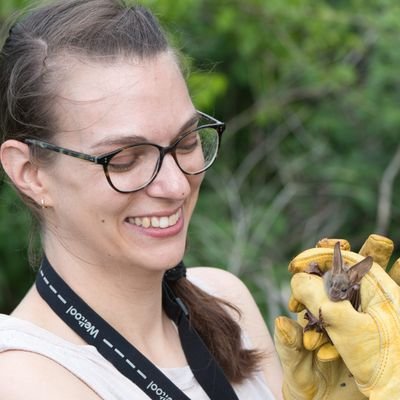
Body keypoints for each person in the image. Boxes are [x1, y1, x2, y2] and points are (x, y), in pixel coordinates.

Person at [0, 0, 283, 399]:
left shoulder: (224, 300)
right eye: (125, 159)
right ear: (30, 174)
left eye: (185, 142)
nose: (176, 187)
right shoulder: (25, 377)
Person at [274, 234, 400, 399]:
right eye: (333, 286)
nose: (333, 292)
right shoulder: (327, 277)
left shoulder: (353, 290)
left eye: (340, 290)